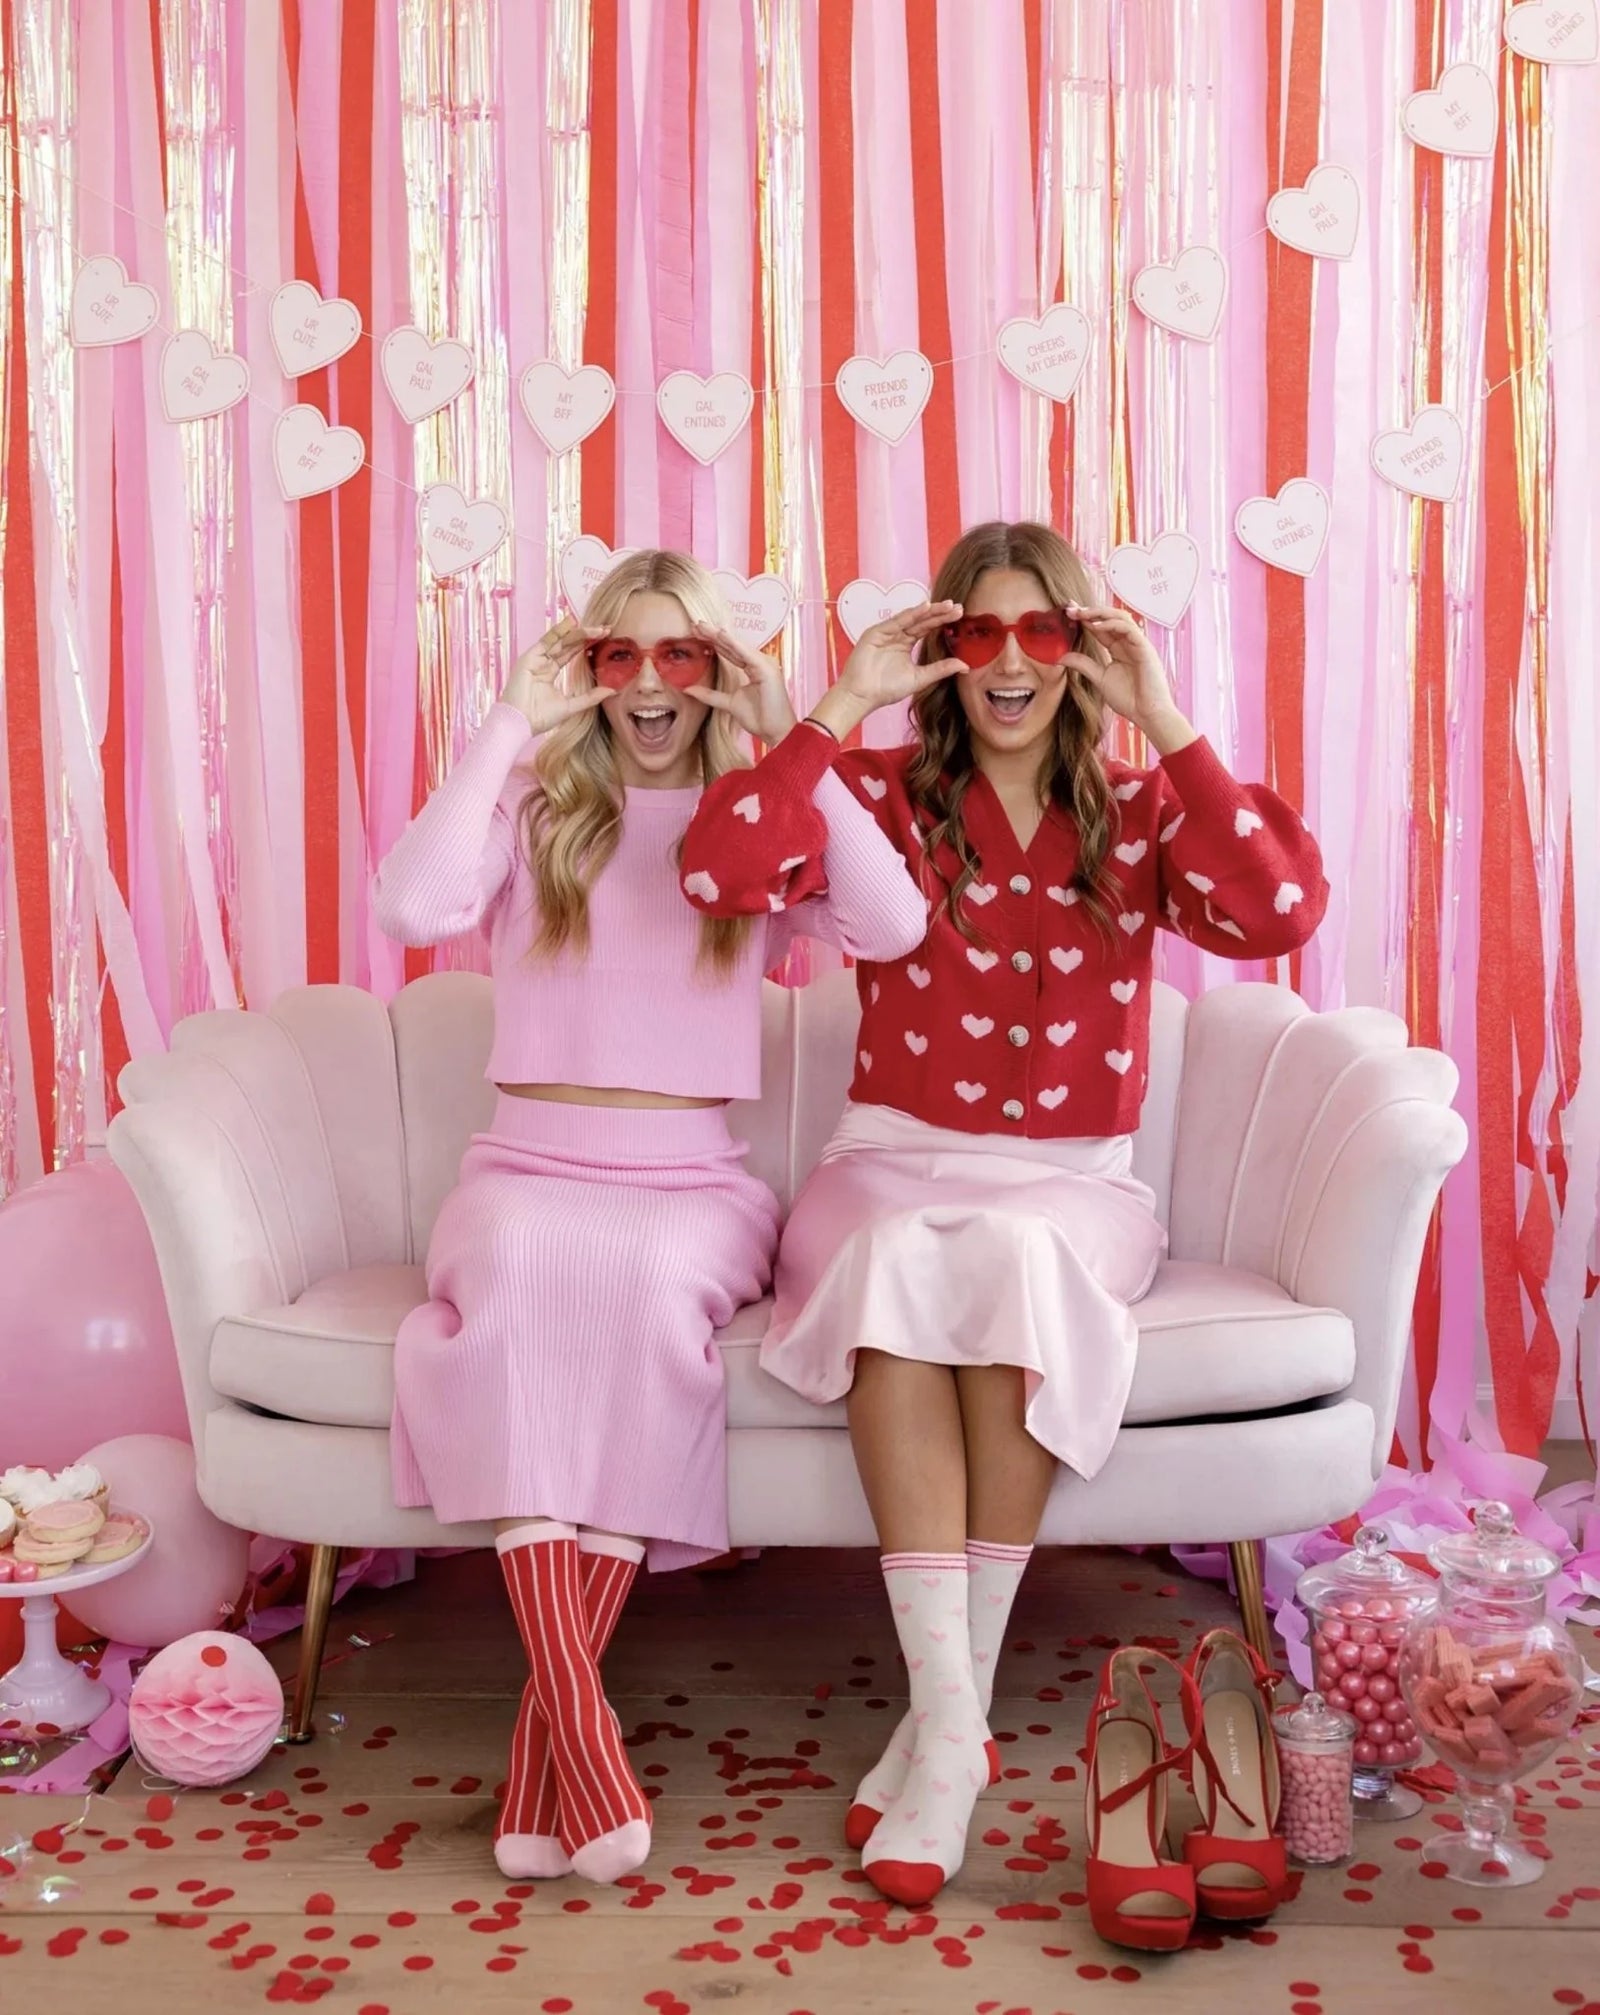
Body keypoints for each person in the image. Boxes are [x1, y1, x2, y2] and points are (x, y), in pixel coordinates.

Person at [679, 519, 1328, 1907]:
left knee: (1018, 1258)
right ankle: (958, 1724)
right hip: (885, 1165)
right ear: (947, 652)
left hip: (1071, 1185)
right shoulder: (883, 792)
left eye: (1047, 632)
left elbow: (1277, 907)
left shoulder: (1141, 811)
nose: (1012, 661)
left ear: (1083, 651)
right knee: (904, 1252)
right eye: (980, 632)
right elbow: (722, 871)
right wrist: (844, 698)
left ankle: (942, 1725)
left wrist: (1164, 712)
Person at [371, 549, 927, 1887]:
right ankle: (573, 1733)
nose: (651, 685)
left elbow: (895, 925)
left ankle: (549, 1742)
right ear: (593, 673)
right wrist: (514, 713)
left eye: (684, 656)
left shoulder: (753, 821)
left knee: (635, 1296)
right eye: (622, 657)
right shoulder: (537, 804)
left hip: (687, 1186)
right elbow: (409, 904)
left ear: (717, 673)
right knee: (511, 1268)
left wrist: (804, 724)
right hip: (524, 1168)